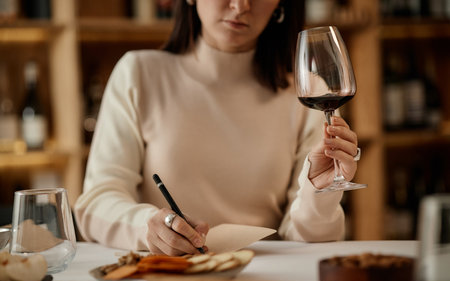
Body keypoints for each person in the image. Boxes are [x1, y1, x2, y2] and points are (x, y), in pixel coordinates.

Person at [74, 0, 361, 256]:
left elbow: (306, 242)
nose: (240, 6)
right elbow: (95, 203)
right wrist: (146, 228)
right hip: (168, 276)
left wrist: (319, 192)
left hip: (266, 277)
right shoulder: (139, 74)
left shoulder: (308, 92)